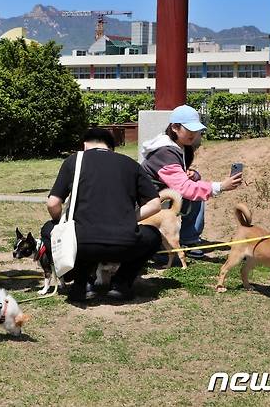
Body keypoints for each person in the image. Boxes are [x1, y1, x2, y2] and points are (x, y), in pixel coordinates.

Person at [44, 128, 163, 302]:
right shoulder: (130, 164)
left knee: (49, 230)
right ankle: (121, 284)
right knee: (153, 235)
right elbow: (155, 203)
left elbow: (53, 203)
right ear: (111, 147)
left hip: (82, 243)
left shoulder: (73, 161)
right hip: (124, 244)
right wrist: (130, 219)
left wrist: (58, 222)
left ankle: (82, 284)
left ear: (85, 144)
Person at [140, 105, 243, 259]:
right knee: (196, 193)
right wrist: (220, 186)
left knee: (198, 191)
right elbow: (184, 188)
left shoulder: (180, 146)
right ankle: (163, 245)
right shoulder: (165, 152)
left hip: (159, 197)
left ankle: (188, 240)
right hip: (145, 203)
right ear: (175, 127)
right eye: (189, 129)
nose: (194, 134)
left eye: (196, 130)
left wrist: (194, 174)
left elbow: (180, 179)